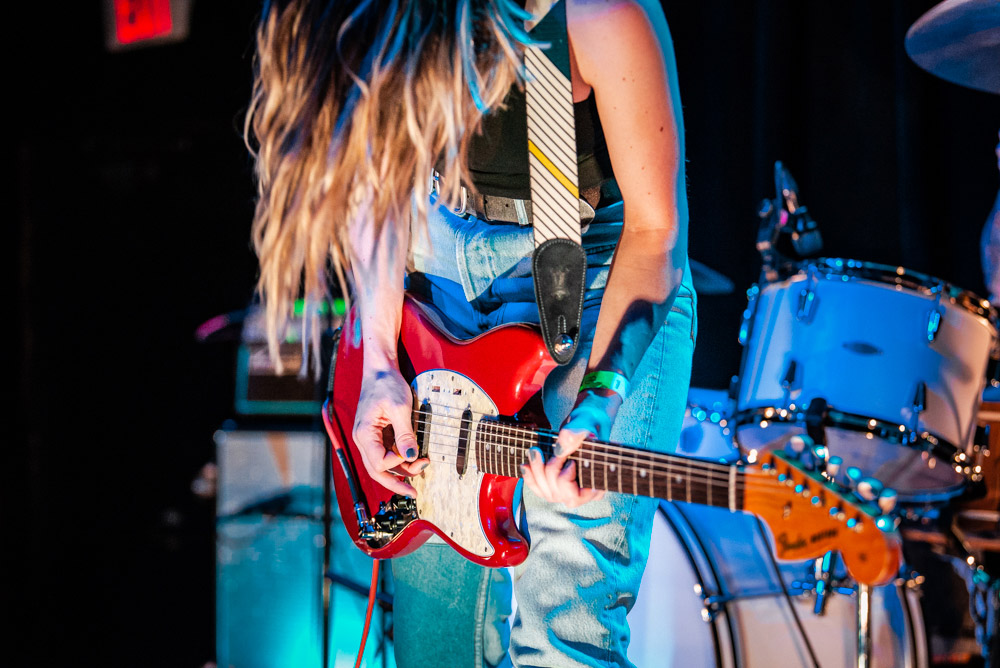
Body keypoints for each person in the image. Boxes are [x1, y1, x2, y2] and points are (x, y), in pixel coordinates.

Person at [245, 1, 695, 666]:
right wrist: (376, 366)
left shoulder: (596, 14)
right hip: (435, 251)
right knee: (437, 642)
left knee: (566, 629)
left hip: (600, 268)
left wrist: (600, 397)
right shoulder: (387, 17)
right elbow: (379, 180)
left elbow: (656, 233)